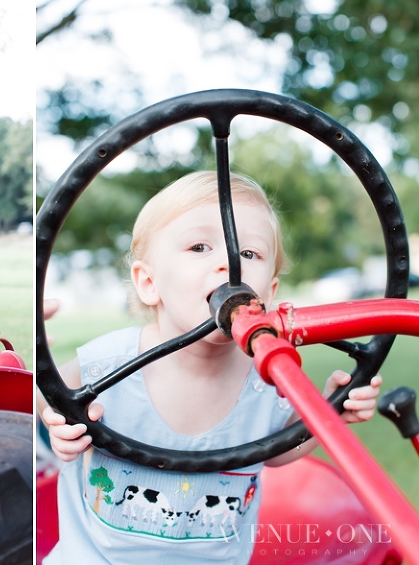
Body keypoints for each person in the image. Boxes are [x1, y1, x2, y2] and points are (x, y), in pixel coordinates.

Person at [38, 170, 382, 563]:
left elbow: (276, 449)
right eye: (200, 247)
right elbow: (45, 395)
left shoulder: (271, 375)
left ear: (268, 293)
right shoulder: (107, 364)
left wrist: (328, 411)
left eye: (249, 254)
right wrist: (58, 424)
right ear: (148, 282)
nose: (229, 264)